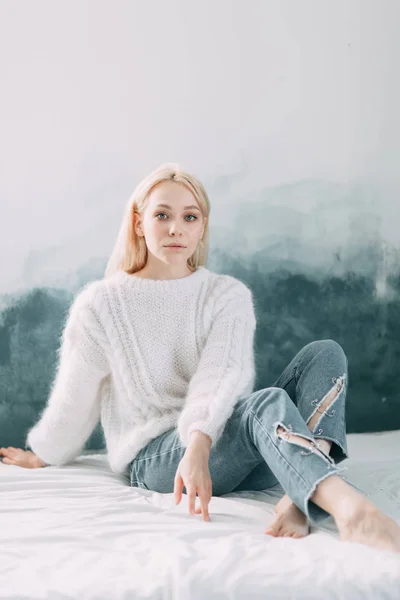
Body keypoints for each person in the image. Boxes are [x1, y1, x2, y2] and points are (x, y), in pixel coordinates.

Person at [1, 162, 399, 555]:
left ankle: (300, 496)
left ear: (202, 226)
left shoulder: (227, 295)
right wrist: (43, 453)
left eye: (189, 217)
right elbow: (75, 398)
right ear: (139, 223)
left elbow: (222, 374)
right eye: (162, 215)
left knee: (324, 354)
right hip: (157, 459)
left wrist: (200, 444)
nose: (176, 228)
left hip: (213, 449)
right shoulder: (101, 304)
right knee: (265, 404)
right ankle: (351, 511)